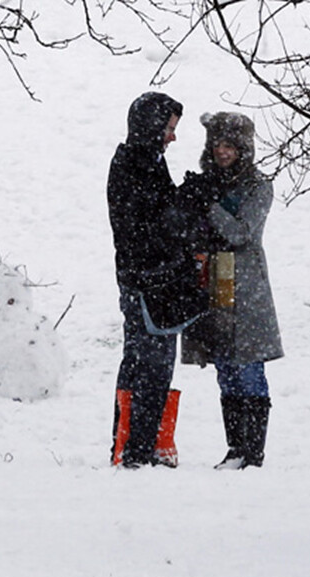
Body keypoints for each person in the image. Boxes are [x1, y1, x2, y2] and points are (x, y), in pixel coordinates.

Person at [179, 112, 283, 469]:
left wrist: (208, 205)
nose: (222, 151)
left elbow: (241, 232)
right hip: (213, 282)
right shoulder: (208, 181)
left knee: (248, 365)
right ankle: (236, 448)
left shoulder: (258, 185)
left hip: (246, 284)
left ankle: (252, 452)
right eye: (216, 144)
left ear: (243, 147)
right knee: (224, 365)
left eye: (228, 145)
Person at [107, 92, 195, 469]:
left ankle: (138, 446)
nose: (173, 137)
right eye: (169, 129)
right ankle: (140, 449)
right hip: (148, 283)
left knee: (144, 362)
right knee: (151, 365)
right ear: (151, 127)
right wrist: (183, 207)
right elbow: (146, 227)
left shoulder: (146, 162)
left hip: (152, 281)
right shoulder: (135, 166)